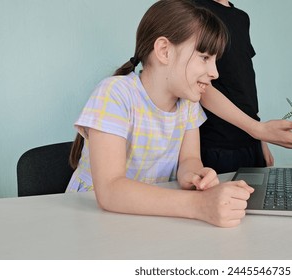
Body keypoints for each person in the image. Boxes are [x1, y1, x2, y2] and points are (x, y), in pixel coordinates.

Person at [67, 0, 253, 228]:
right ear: (164, 51)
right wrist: (199, 204)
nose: (214, 73)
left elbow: (189, 159)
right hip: (93, 219)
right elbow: (110, 190)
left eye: (215, 61)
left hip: (151, 217)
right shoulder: (115, 94)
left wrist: (194, 174)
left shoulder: (188, 104)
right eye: (204, 57)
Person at [194, 0, 292, 173]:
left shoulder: (241, 17)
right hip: (217, 145)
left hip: (251, 141)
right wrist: (258, 130)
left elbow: (243, 82)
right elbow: (199, 84)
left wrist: (260, 137)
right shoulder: (193, 10)